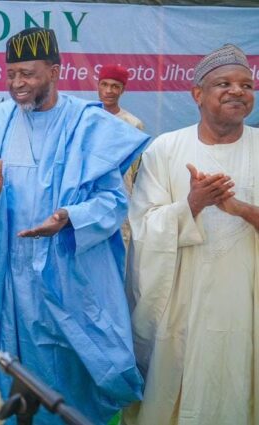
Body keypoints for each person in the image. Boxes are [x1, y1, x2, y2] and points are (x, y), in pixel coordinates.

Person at [0, 27, 149, 424]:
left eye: (28, 74)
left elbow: (112, 203)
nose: (17, 84)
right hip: (5, 277)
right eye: (11, 75)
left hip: (65, 275)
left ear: (55, 71)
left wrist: (69, 218)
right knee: (7, 374)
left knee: (68, 378)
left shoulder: (86, 125)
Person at [124, 44, 257, 425]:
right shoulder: (165, 149)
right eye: (224, 83)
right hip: (181, 305)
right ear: (197, 94)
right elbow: (144, 226)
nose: (237, 91)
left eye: (246, 85)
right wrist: (192, 205)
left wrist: (242, 210)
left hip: (247, 305)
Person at [97, 64, 146, 248]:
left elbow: (135, 169)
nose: (109, 91)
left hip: (121, 192)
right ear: (98, 86)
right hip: (91, 193)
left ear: (123, 90)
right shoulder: (87, 118)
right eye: (104, 84)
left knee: (121, 243)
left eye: (115, 86)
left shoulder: (133, 124)